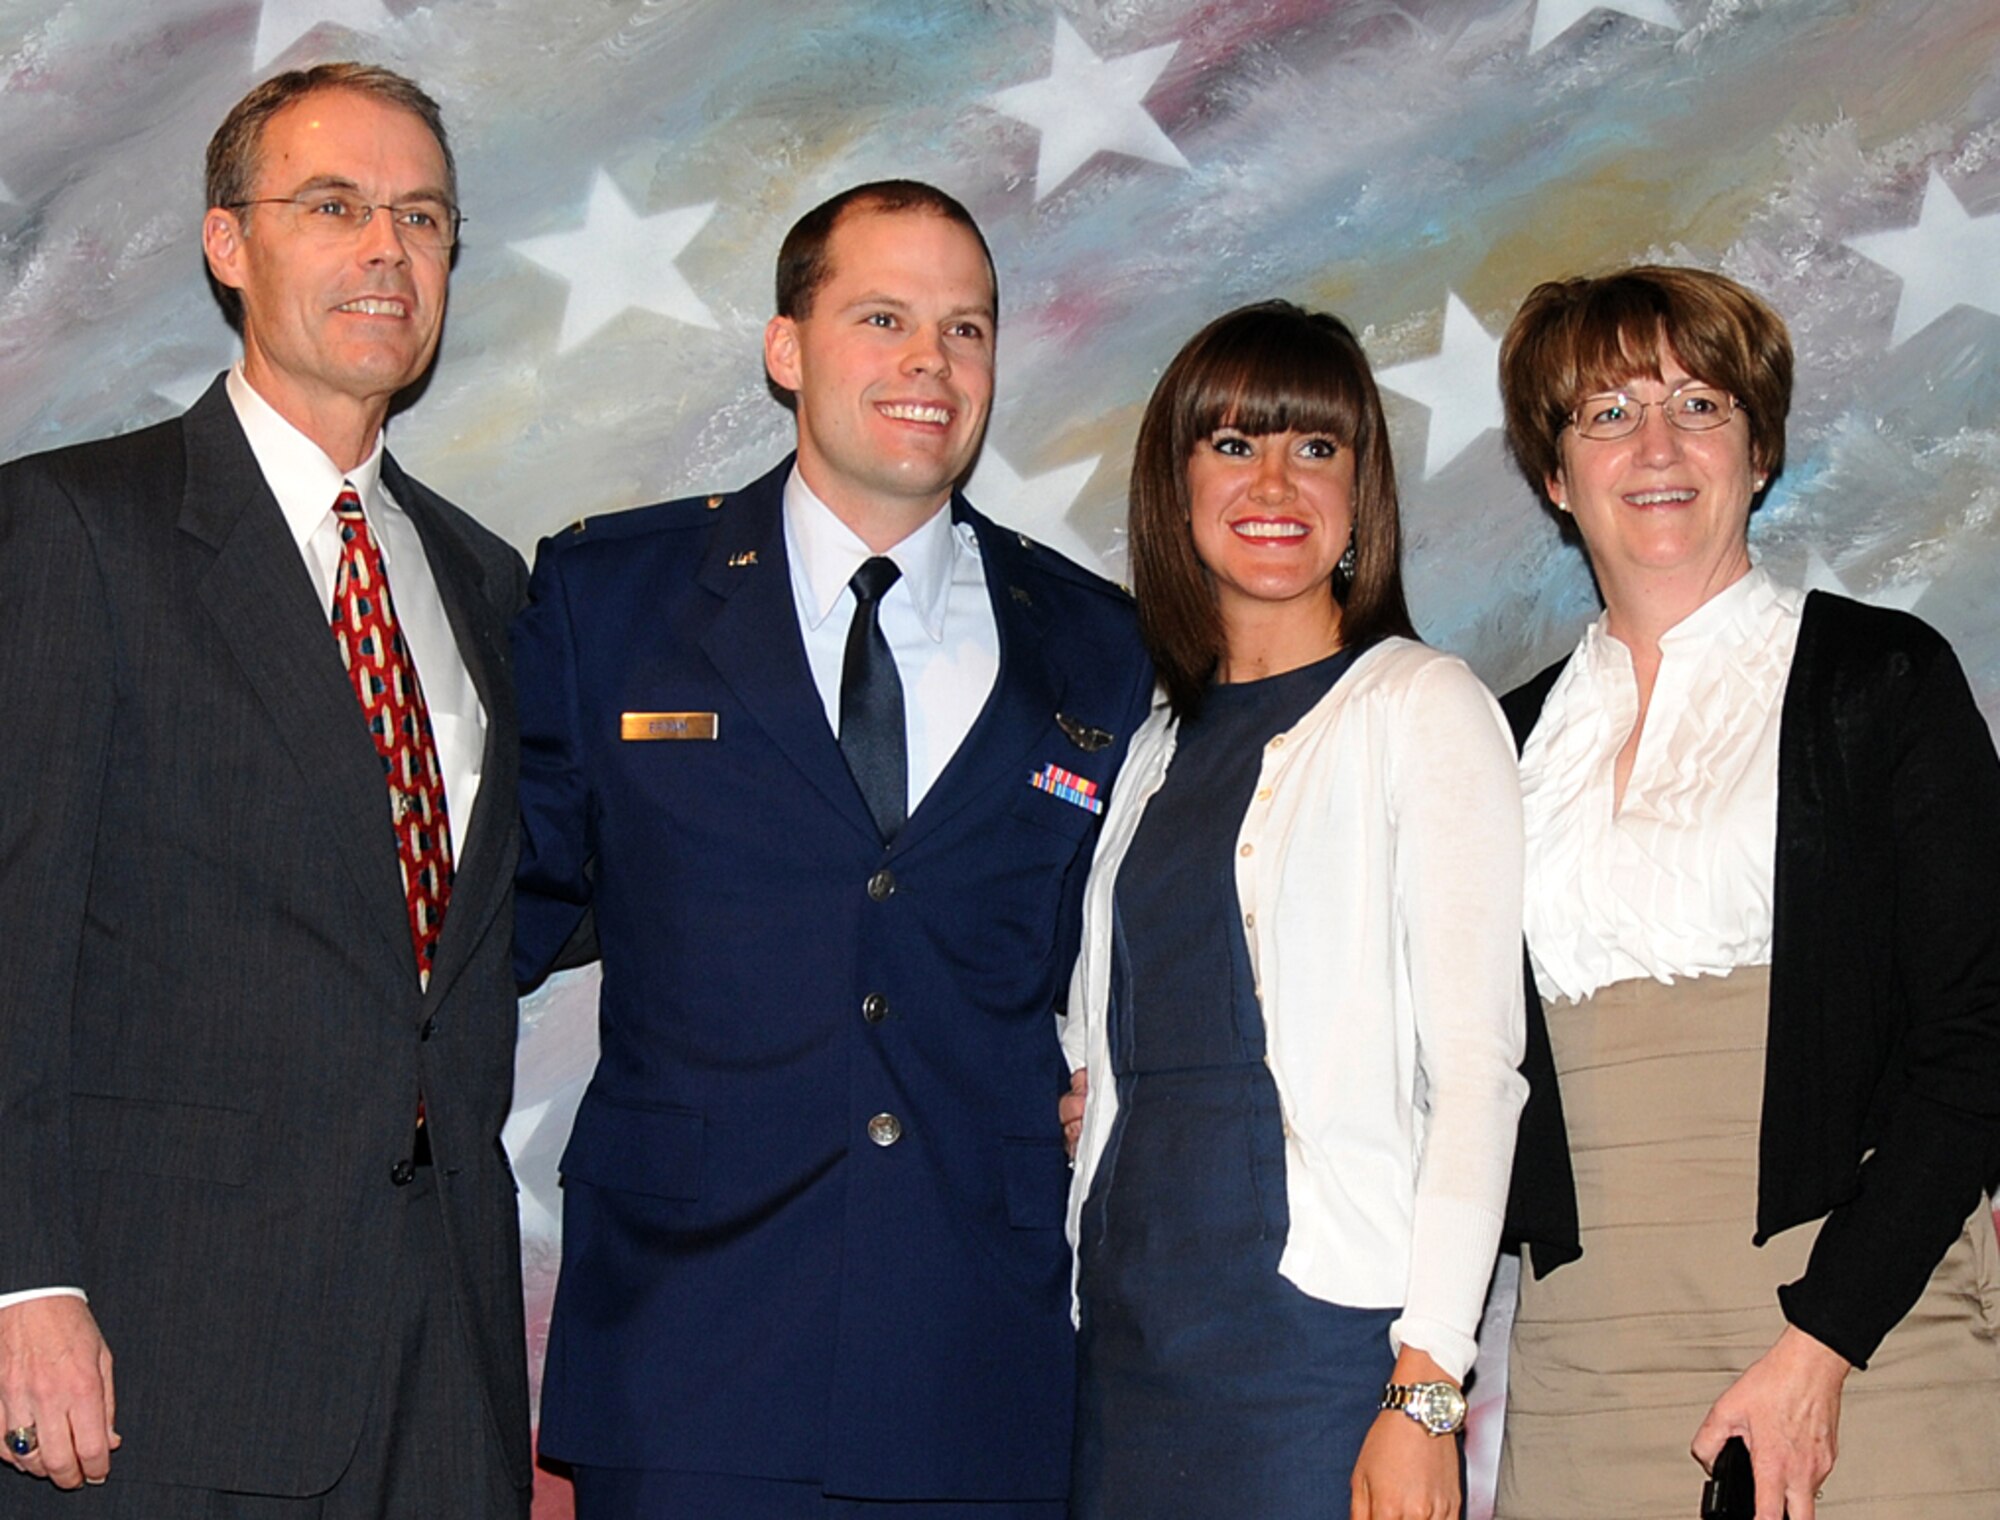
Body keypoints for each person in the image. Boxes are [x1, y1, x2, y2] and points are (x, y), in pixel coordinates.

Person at [512, 179, 1155, 1518]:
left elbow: (1135, 945)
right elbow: (488, 925)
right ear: (786, 349)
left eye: (965, 328)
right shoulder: (610, 601)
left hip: (980, 1358)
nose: (930, 361)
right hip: (684, 1352)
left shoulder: (1099, 641)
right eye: (882, 318)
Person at [0, 63, 531, 1517]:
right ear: (228, 244)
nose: (387, 250)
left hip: (448, 1366)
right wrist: (21, 1281)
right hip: (164, 1352)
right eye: (335, 206)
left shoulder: (484, 579)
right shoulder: (74, 530)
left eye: (422, 216)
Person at [1494, 264, 2000, 1520]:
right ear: (1553, 473)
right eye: (1606, 413)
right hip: (1581, 1373)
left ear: (1757, 447)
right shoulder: (1491, 741)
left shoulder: (1882, 680)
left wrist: (1821, 1345)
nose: (1655, 445)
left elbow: (1978, 1038)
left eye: (1699, 404)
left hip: (1860, 1345)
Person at [1058, 301, 1527, 1520]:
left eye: (1314, 446)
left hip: (1317, 1350)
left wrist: (1425, 1386)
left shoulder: (1420, 706)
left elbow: (1477, 1078)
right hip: (1126, 1337)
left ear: (1359, 491)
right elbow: (1116, 1032)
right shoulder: (1149, 748)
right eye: (1231, 444)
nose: (1273, 482)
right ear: (1173, 487)